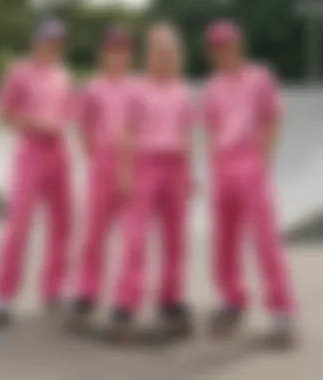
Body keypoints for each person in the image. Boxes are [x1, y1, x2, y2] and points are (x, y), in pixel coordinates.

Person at [202, 20, 296, 347]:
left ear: (238, 45)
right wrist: (213, 162)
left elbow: (273, 118)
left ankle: (282, 311)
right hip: (223, 164)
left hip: (249, 159)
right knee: (224, 241)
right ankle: (233, 300)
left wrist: (263, 160)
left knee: (264, 239)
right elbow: (212, 126)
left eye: (227, 44)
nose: (222, 51)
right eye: (216, 46)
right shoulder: (213, 86)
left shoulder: (260, 78)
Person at [109, 23, 197, 341]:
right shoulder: (136, 89)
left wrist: (189, 173)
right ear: (150, 54)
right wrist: (124, 173)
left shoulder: (183, 92)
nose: (165, 56)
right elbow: (127, 132)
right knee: (136, 237)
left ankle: (170, 299)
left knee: (176, 238)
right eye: (159, 50)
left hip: (175, 164)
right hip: (145, 163)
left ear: (178, 55)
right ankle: (126, 301)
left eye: (170, 50)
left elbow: (186, 135)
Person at [0, 18, 74, 328]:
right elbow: (2, 114)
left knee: (62, 224)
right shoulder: (19, 72)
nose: (53, 46)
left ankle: (53, 288)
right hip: (32, 150)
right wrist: (31, 123)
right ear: (36, 41)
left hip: (59, 151)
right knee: (19, 224)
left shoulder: (63, 74)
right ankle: (3, 296)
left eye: (58, 41)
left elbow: (68, 112)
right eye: (48, 40)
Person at [64, 26, 135, 328]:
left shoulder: (138, 89)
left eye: (122, 50)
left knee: (133, 236)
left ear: (129, 55)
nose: (116, 56)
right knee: (93, 233)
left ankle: (126, 297)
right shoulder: (94, 88)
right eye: (111, 50)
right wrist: (97, 158)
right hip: (103, 162)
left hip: (132, 163)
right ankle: (87, 291)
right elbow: (83, 126)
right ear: (103, 53)